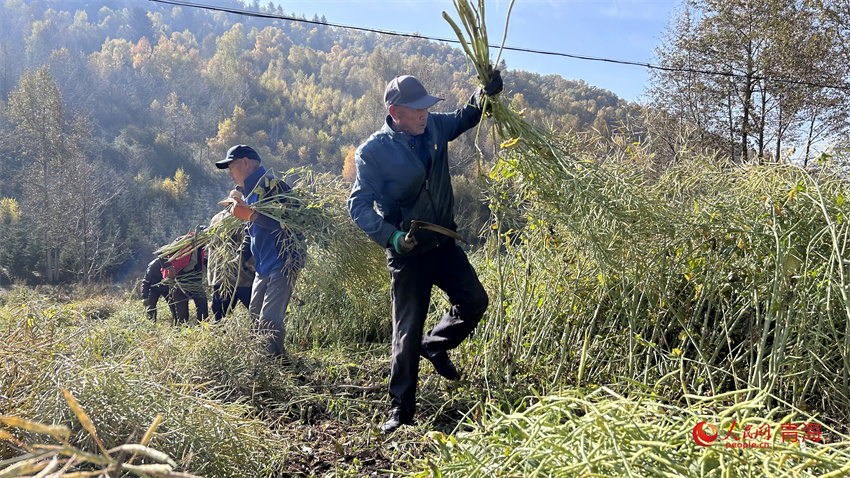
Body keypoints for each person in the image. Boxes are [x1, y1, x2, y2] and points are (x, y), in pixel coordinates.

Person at [347, 71, 503, 433]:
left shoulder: (434, 127)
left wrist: (486, 92)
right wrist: (392, 237)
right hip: (408, 254)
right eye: (416, 110)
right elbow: (358, 206)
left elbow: (468, 115)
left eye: (426, 109)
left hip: (443, 243)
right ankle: (400, 411)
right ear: (394, 112)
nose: (424, 115)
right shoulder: (373, 152)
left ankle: (434, 345)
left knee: (475, 300)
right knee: (406, 333)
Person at [216, 145, 305, 362]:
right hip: (262, 266)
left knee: (269, 321)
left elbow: (294, 223)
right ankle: (268, 363)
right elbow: (252, 231)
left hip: (283, 261)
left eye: (231, 165)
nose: (229, 172)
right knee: (255, 317)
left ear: (245, 162)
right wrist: (239, 258)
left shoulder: (273, 185)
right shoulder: (251, 192)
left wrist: (251, 215)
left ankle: (274, 370)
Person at [207, 209, 255, 321]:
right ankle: (257, 337)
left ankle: (217, 336)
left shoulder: (216, 219)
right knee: (256, 315)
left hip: (221, 277)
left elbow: (211, 246)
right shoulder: (243, 218)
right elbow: (247, 248)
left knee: (219, 318)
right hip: (242, 276)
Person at [162, 231, 209, 325]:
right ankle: (181, 331)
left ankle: (202, 327)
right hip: (180, 280)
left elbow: (200, 260)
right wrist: (170, 269)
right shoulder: (183, 242)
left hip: (194, 280)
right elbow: (162, 254)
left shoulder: (200, 247)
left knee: (202, 304)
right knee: (182, 312)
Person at [141, 256, 176, 322]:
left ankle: (177, 321)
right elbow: (146, 281)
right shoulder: (152, 266)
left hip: (167, 287)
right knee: (150, 306)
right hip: (154, 287)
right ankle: (151, 322)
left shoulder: (171, 263)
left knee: (174, 305)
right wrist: (145, 296)